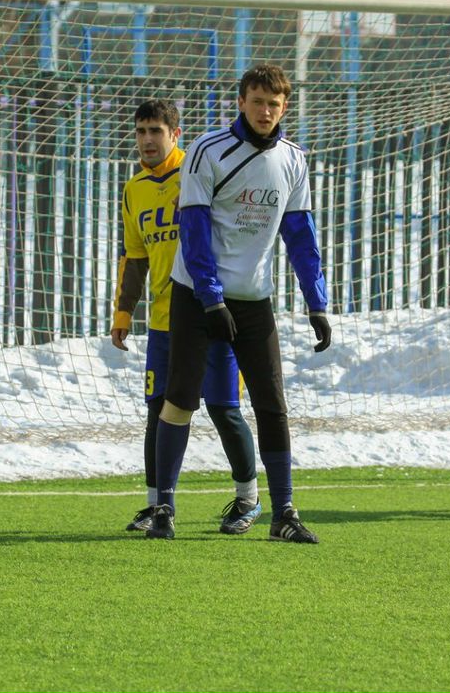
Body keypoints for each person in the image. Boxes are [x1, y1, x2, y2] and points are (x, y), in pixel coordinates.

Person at [143, 63, 332, 543]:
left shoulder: (293, 159)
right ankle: (163, 507)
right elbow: (194, 230)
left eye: (274, 103)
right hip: (195, 295)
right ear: (241, 102)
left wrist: (316, 302)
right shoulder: (207, 151)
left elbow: (300, 235)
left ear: (284, 107)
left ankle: (283, 513)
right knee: (180, 400)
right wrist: (210, 298)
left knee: (272, 404)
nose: (265, 110)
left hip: (252, 300)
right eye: (257, 101)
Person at [111, 99, 262, 536]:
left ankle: (248, 498)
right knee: (158, 411)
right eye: (140, 132)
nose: (147, 140)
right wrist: (124, 311)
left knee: (223, 407)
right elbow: (135, 256)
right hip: (163, 322)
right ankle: (158, 505)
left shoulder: (198, 174)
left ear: (176, 134)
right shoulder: (134, 188)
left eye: (156, 131)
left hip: (214, 315)